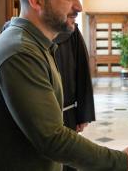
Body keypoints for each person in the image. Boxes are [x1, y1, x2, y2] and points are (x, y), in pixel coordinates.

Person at [0, 0, 128, 171]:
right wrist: (121, 162)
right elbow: (53, 138)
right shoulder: (20, 52)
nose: (78, 6)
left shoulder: (35, 44)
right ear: (36, 0)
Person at [53, 25, 96, 171]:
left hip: (67, 112)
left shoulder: (70, 32)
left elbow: (82, 71)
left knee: (67, 160)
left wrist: (83, 115)